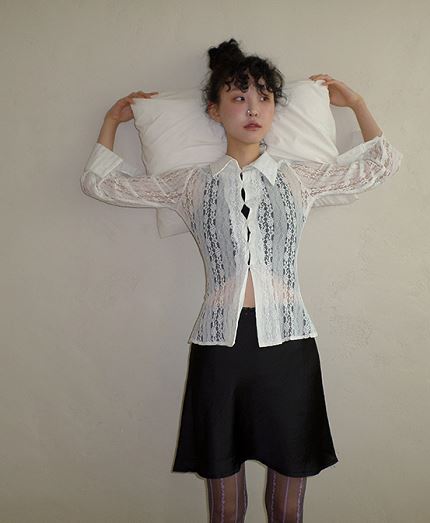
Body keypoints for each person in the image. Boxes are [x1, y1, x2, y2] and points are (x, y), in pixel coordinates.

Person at [81, 38, 402, 523]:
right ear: (215, 110)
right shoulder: (192, 182)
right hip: (221, 348)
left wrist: (355, 103)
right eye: (238, 97)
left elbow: (381, 164)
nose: (253, 108)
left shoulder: (299, 178)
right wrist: (111, 120)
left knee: (287, 505)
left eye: (264, 98)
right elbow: (101, 184)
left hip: (289, 344)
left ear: (274, 110)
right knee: (226, 506)